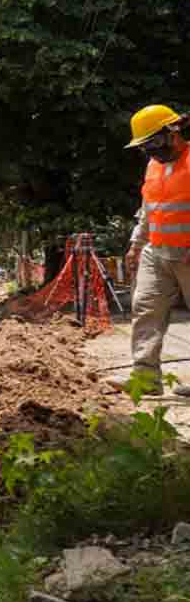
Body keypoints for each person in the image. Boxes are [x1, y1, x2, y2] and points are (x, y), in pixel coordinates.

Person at [122, 104, 190, 396]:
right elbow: (149, 209)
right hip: (157, 251)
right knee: (145, 308)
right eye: (145, 146)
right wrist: (137, 243)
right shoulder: (153, 166)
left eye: (154, 142)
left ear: (173, 132)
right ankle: (145, 379)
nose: (151, 151)